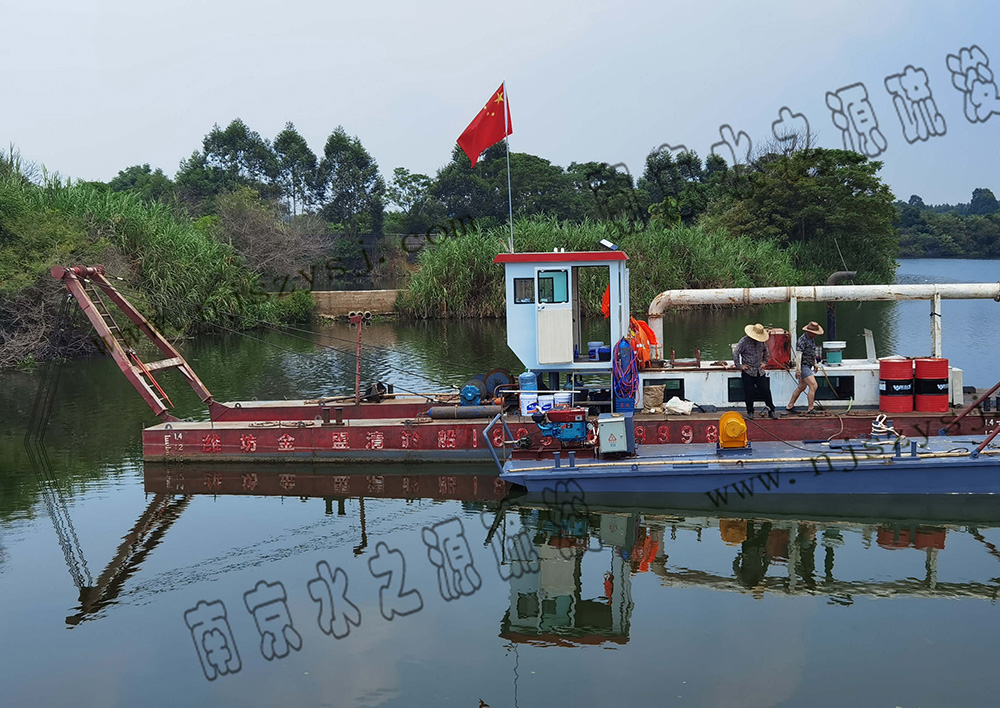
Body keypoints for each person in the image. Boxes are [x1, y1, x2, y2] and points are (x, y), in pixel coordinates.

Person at [733, 323, 775, 419]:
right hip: (748, 370)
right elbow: (736, 353)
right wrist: (740, 366)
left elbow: (766, 351)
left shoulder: (761, 342)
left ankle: (771, 410)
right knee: (749, 392)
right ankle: (750, 411)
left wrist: (764, 362)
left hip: (759, 370)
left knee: (766, 390)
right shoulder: (744, 341)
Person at [785, 321, 824, 414]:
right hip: (803, 366)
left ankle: (789, 406)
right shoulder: (802, 340)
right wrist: (798, 370)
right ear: (809, 332)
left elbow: (812, 352)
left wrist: (815, 364)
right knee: (813, 385)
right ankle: (811, 408)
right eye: (814, 333)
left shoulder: (811, 339)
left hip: (808, 365)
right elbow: (799, 356)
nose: (815, 335)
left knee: (801, 387)